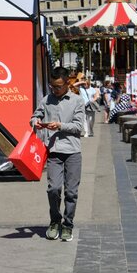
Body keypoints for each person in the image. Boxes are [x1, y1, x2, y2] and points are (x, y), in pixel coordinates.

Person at [31, 67, 87, 242]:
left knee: (71, 192)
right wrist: (36, 122)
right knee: (53, 189)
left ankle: (68, 224)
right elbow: (35, 115)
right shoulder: (47, 99)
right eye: (52, 86)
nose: (55, 90)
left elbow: (79, 127)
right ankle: (55, 221)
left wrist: (60, 125)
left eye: (58, 86)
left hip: (72, 151)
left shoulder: (77, 101)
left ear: (67, 84)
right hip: (53, 151)